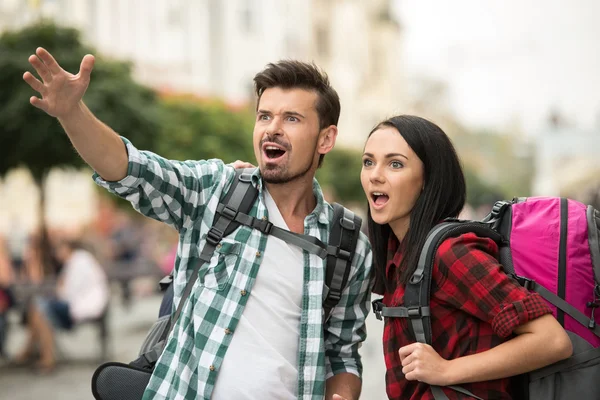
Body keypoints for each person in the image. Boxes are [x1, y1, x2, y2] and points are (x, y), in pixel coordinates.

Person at [23, 47, 373, 400]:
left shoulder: (348, 244)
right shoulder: (216, 190)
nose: (273, 129)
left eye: (292, 119)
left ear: (326, 138)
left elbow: (342, 353)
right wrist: (72, 113)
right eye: (264, 116)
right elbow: (132, 170)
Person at [356, 115, 572, 399]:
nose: (375, 175)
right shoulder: (401, 255)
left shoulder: (451, 253)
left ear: (428, 180)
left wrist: (446, 370)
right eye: (368, 162)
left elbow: (552, 341)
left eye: (395, 164)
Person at [14, 238, 109, 372]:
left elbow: (67, 294)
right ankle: (33, 353)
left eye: (58, 250)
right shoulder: (78, 260)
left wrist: (60, 288)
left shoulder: (79, 261)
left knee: (40, 307)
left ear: (67, 248)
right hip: (81, 305)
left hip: (83, 307)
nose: (56, 254)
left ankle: (42, 357)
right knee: (39, 308)